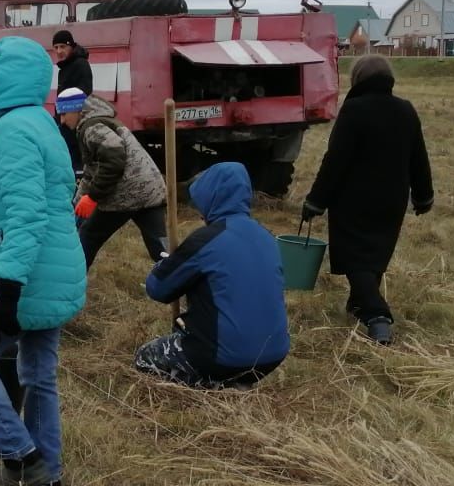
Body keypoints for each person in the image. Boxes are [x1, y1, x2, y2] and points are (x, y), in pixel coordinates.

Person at [0, 36, 87, 486]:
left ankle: (20, 457)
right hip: (54, 265)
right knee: (38, 375)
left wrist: (8, 284)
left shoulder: (10, 132)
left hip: (31, 271)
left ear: (7, 78)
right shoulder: (43, 122)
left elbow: (25, 214)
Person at [302, 55, 433, 345]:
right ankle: (358, 305)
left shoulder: (354, 111)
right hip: (392, 200)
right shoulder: (405, 110)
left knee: (356, 259)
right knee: (374, 256)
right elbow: (418, 159)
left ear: (358, 79)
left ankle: (377, 317)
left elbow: (335, 160)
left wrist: (315, 201)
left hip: (353, 200)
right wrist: (424, 196)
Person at [137, 162, 289, 388]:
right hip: (272, 357)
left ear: (210, 198)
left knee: (144, 357)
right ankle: (236, 383)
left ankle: (208, 385)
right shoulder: (266, 236)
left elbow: (157, 288)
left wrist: (168, 263)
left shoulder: (206, 240)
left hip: (222, 358)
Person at [57, 88, 168, 268]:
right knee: (162, 249)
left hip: (125, 193)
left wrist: (93, 197)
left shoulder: (91, 127)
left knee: (89, 235)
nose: (62, 121)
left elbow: (114, 161)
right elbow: (93, 169)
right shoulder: (102, 120)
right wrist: (77, 202)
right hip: (149, 189)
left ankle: (70, 280)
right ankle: (177, 284)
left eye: (64, 114)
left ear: (76, 109)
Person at [51, 30, 92, 173]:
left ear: (71, 46)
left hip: (74, 124)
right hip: (64, 122)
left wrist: (70, 113)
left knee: (76, 161)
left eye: (62, 46)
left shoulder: (80, 64)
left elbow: (85, 92)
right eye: (56, 47)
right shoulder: (65, 66)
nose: (59, 51)